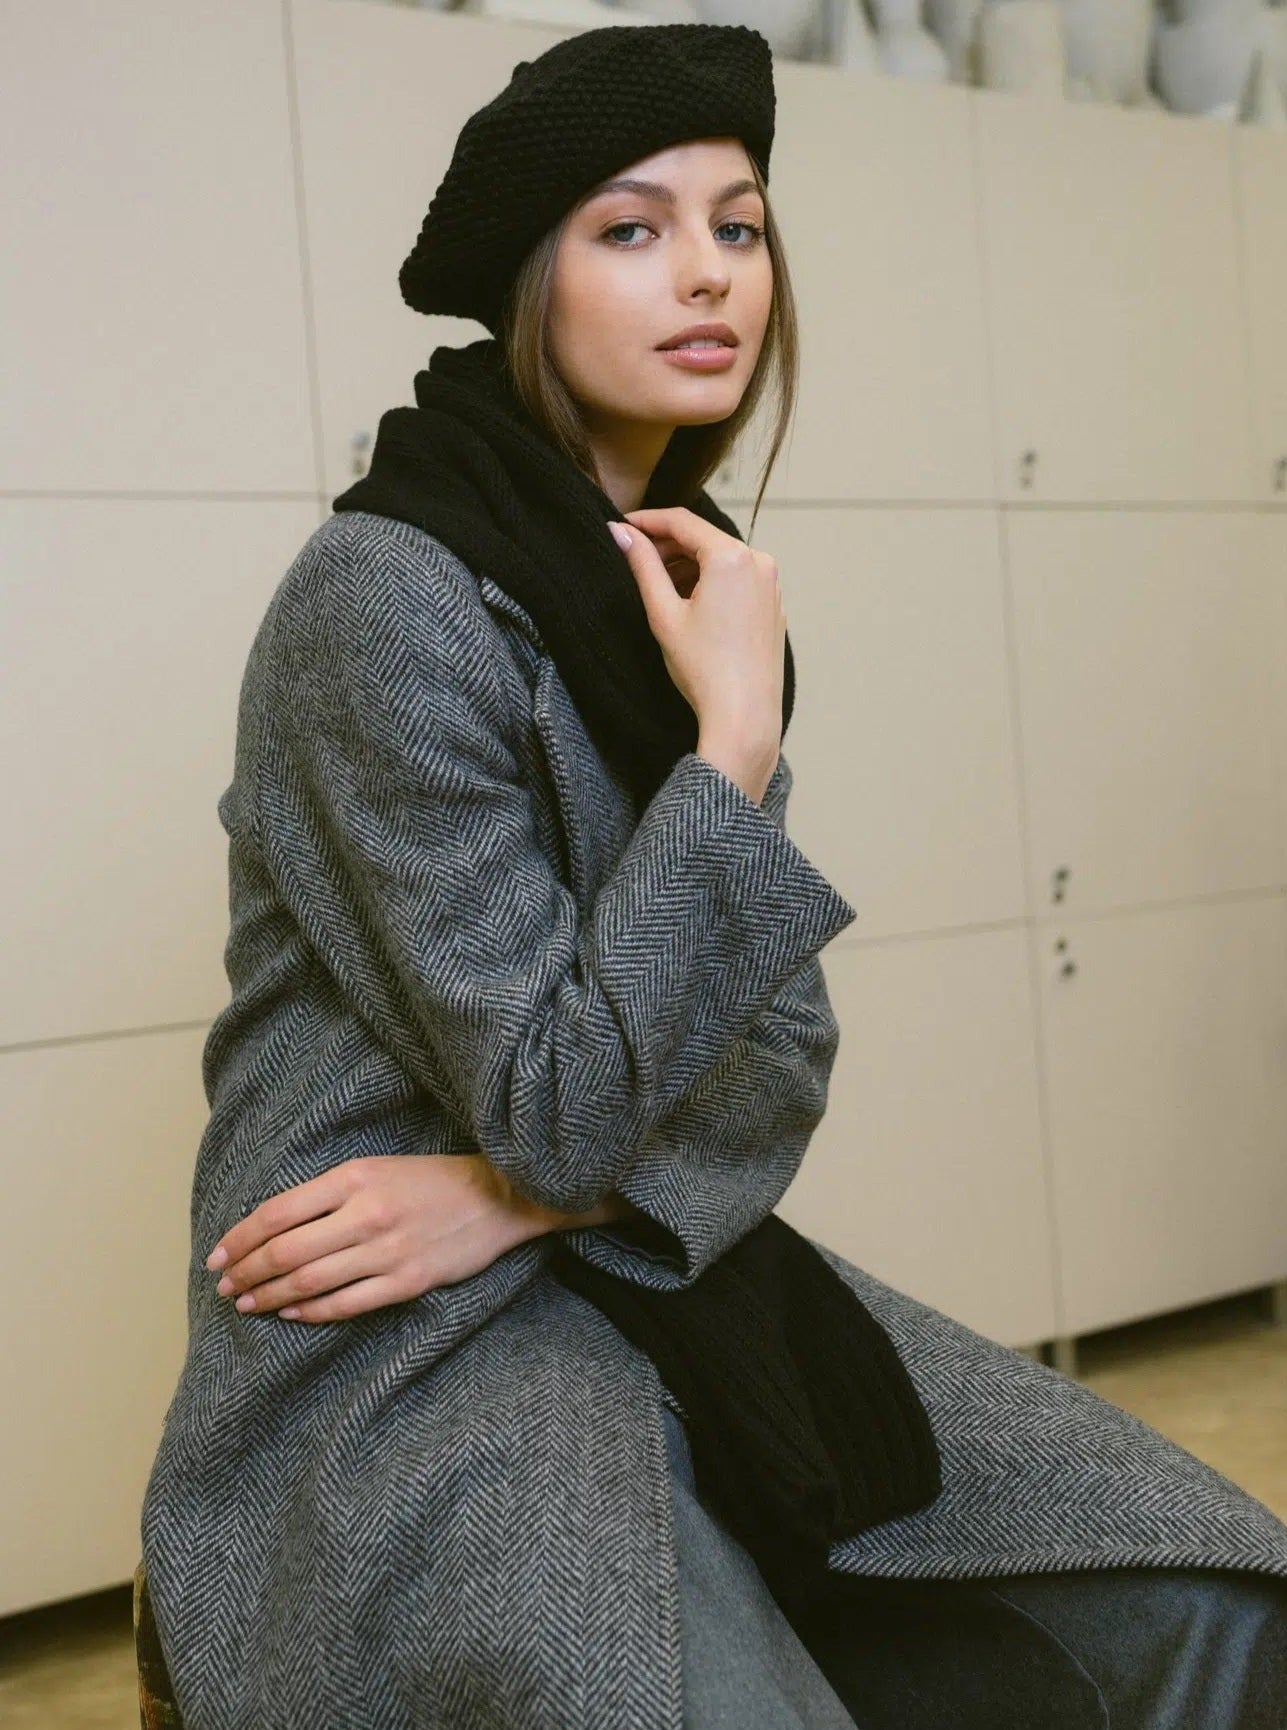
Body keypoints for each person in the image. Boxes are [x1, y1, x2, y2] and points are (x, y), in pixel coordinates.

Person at [140, 23, 1287, 1728]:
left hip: (631, 1263)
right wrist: (728, 748)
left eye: (738, 226)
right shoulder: (380, 600)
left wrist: (519, 1191)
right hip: (396, 1347)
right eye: (632, 227)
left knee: (1221, 1596)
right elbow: (560, 1097)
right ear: (534, 279)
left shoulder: (687, 589)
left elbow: (778, 1057)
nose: (708, 275)